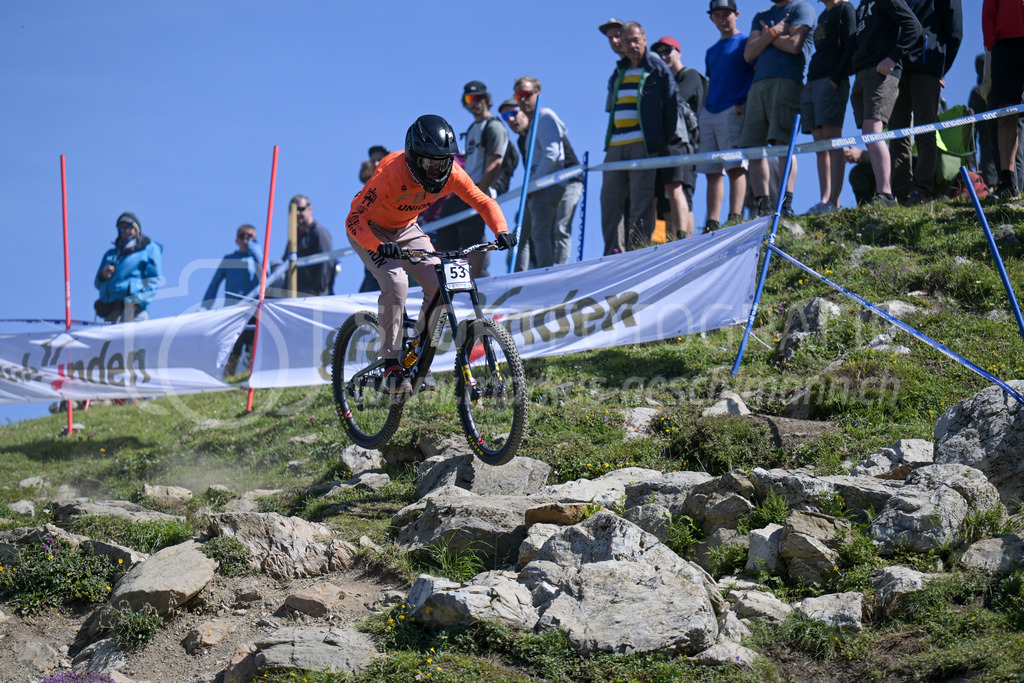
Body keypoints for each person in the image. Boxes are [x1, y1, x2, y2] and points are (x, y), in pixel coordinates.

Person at [346, 115, 516, 393]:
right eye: (430, 163)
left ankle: (414, 356)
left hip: (405, 228)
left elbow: (483, 201)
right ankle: (391, 364)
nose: (437, 170)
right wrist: (378, 246)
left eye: (443, 162)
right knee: (396, 282)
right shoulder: (389, 170)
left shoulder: (452, 174)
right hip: (371, 230)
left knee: (440, 282)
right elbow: (354, 219)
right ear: (414, 158)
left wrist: (501, 230)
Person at [601, 21, 678, 254]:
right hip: (615, 144)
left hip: (642, 143)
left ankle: (638, 250)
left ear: (644, 39)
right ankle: (613, 250)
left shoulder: (656, 68)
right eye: (627, 41)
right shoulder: (619, 71)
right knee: (610, 199)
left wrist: (661, 140)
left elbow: (671, 103)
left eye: (636, 40)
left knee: (641, 199)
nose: (632, 45)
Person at [843, 0, 922, 206]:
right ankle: (883, 194)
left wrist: (893, 57)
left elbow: (913, 26)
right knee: (869, 134)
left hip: (881, 72)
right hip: (863, 72)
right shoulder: (861, 5)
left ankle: (885, 195)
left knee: (873, 131)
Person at [741, 0, 816, 218]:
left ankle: (785, 204)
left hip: (787, 81)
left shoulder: (801, 8)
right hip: (758, 85)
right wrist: (775, 32)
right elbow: (749, 54)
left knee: (782, 142)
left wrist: (766, 37)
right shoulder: (761, 15)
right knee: (753, 146)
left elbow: (794, 45)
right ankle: (763, 205)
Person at [433, 81, 511, 279]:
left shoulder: (493, 126)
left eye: (479, 98)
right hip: (464, 189)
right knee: (445, 237)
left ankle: (473, 285)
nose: (474, 103)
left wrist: (479, 195)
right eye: (469, 99)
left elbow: (495, 163)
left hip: (477, 190)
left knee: (472, 241)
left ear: (486, 99)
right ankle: (446, 284)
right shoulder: (472, 128)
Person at [889, 0, 963, 205]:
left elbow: (955, 32)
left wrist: (940, 68)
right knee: (896, 132)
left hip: (926, 68)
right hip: (896, 67)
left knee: (925, 130)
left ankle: (921, 190)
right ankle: (899, 192)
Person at [510, 77, 583, 269]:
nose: (523, 99)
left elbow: (553, 154)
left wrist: (533, 184)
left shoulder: (545, 118)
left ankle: (548, 274)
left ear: (537, 94)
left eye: (527, 94)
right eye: (519, 95)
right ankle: (540, 273)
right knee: (537, 233)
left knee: (546, 232)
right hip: (544, 185)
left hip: (550, 184)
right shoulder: (533, 125)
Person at [698, 0, 755, 232]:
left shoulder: (747, 42)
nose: (722, 19)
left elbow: (755, 73)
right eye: (717, 15)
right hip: (709, 111)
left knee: (735, 166)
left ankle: (735, 216)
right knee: (712, 170)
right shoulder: (711, 51)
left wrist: (746, 103)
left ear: (736, 15)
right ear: (712, 18)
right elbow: (711, 81)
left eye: (727, 14)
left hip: (732, 110)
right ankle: (711, 222)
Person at [801, 0, 856, 214]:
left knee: (833, 138)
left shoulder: (846, 8)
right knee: (819, 141)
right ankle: (824, 200)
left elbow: (851, 45)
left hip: (832, 80)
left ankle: (835, 200)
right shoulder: (823, 14)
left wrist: (837, 77)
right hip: (814, 79)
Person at [652, 36, 707, 239]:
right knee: (665, 198)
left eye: (668, 51)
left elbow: (674, 100)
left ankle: (686, 243)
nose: (663, 56)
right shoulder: (666, 81)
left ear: (679, 52)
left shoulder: (690, 75)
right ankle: (669, 243)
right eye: (660, 53)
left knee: (682, 192)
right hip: (666, 143)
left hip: (686, 145)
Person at [201, 224, 262, 376]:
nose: (246, 240)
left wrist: (255, 249)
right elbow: (214, 285)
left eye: (250, 237)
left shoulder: (258, 257)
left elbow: (266, 271)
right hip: (233, 310)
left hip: (254, 309)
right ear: (236, 239)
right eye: (243, 236)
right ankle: (227, 378)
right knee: (232, 347)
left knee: (252, 344)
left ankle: (251, 376)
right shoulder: (229, 259)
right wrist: (205, 306)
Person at [983, 0, 1024, 199]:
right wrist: (992, 42)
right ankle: (1007, 183)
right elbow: (989, 9)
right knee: (1006, 115)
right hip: (1005, 47)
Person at [94, 212, 162, 323]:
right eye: (122, 229)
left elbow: (154, 280)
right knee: (112, 341)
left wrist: (137, 298)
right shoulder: (111, 254)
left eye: (129, 227)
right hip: (111, 312)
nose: (126, 231)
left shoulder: (149, 249)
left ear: (137, 229)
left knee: (131, 340)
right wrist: (102, 275)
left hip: (134, 311)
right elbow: (97, 283)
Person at [285, 194, 335, 296]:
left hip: (315, 295)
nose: (298, 213)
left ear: (310, 209)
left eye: (301, 209)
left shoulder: (319, 232)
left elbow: (327, 262)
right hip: (297, 293)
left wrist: (317, 289)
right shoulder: (294, 236)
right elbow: (286, 262)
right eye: (294, 210)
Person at [358, 147, 389, 294]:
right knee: (370, 293)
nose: (376, 163)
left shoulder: (400, 181)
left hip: (396, 243)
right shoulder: (369, 189)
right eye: (373, 161)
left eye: (380, 159)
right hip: (374, 245)